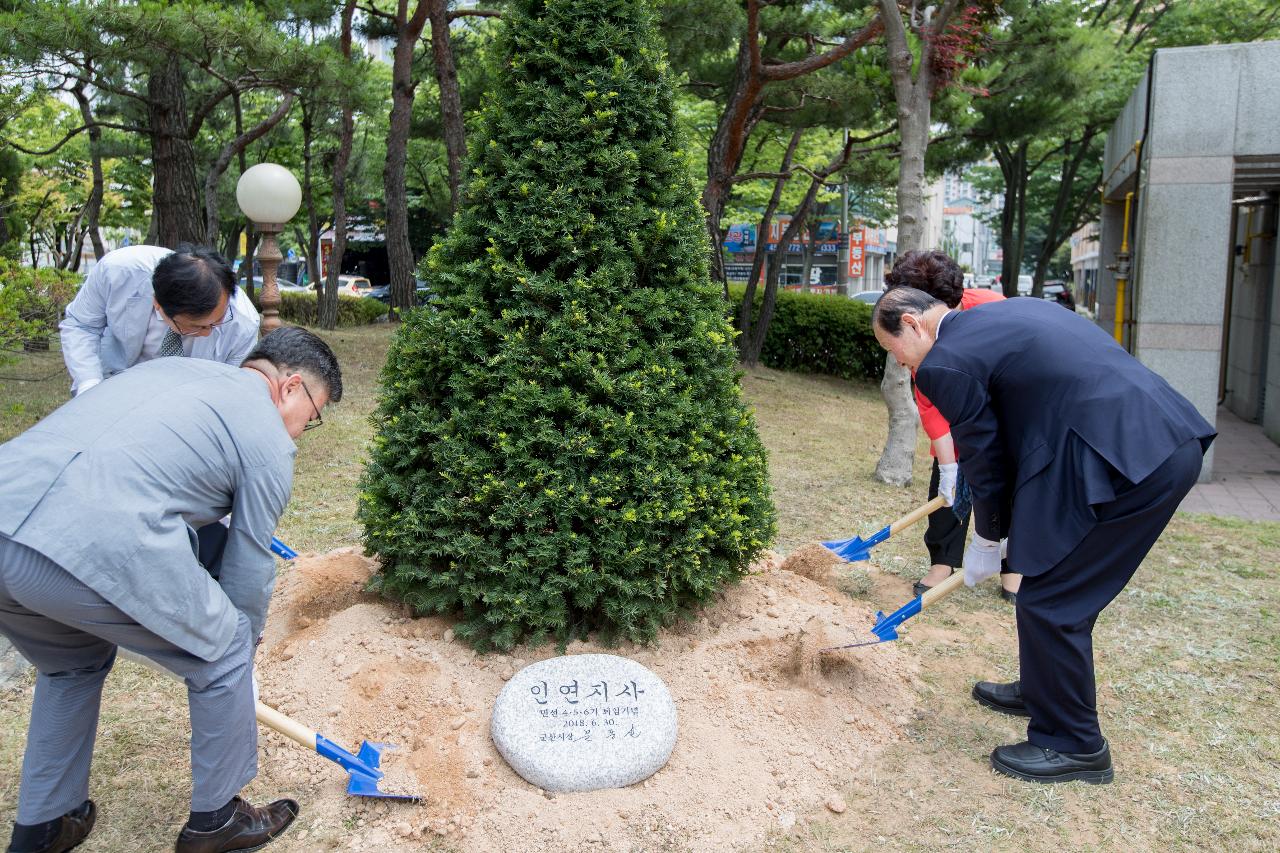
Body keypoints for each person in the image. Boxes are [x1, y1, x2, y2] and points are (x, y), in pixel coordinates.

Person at [0, 327, 341, 853]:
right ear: (290, 387)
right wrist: (240, 653)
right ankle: (217, 821)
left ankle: (45, 825)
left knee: (73, 664)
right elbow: (250, 564)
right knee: (224, 644)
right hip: (82, 542)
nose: (301, 431)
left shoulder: (165, 371)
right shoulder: (267, 437)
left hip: (6, 518)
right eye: (312, 418)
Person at [871, 288, 1214, 784]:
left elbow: (985, 461)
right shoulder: (1005, 314)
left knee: (1054, 599)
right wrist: (1004, 532)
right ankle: (1041, 689)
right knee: (1048, 579)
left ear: (912, 323)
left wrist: (987, 539)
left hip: (1134, 459)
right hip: (1146, 438)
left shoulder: (945, 363)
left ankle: (1075, 745)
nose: (901, 366)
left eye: (893, 350)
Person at [882, 251, 1021, 603]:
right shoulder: (916, 337)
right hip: (957, 420)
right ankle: (943, 561)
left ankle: (1013, 567)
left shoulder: (991, 307)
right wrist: (948, 466)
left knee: (1011, 493)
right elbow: (930, 406)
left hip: (1006, 416)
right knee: (947, 491)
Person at [59, 244, 261, 397]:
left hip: (189, 399)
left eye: (217, 321)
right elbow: (81, 325)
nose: (208, 332)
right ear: (157, 304)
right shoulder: (117, 271)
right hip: (113, 383)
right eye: (196, 327)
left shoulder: (243, 323)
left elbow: (229, 389)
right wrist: (89, 385)